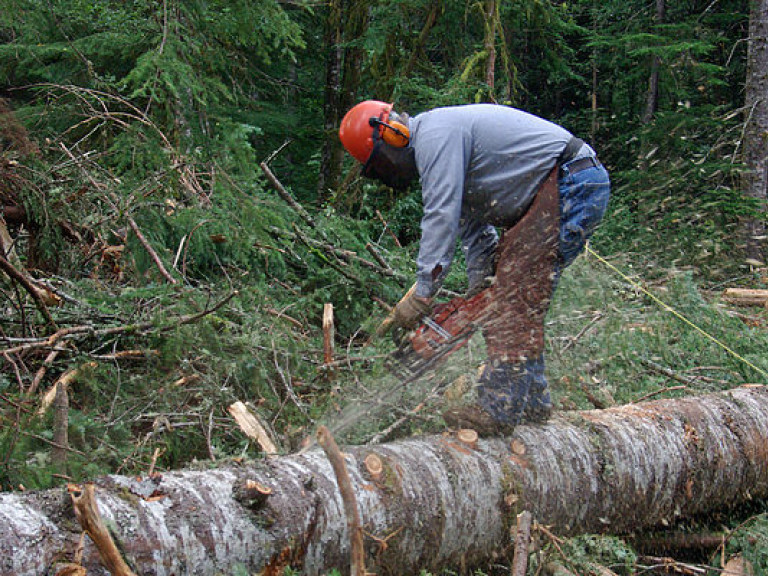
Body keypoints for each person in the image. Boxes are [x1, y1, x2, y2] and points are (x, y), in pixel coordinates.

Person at [338, 101, 610, 435]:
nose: (387, 172)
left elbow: (441, 215)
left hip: (571, 181)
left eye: (380, 163)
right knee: (510, 294)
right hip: (557, 188)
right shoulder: (444, 149)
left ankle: (499, 408)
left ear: (393, 134)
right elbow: (475, 231)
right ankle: (533, 403)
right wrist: (482, 286)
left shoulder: (436, 136)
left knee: (514, 297)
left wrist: (423, 293)